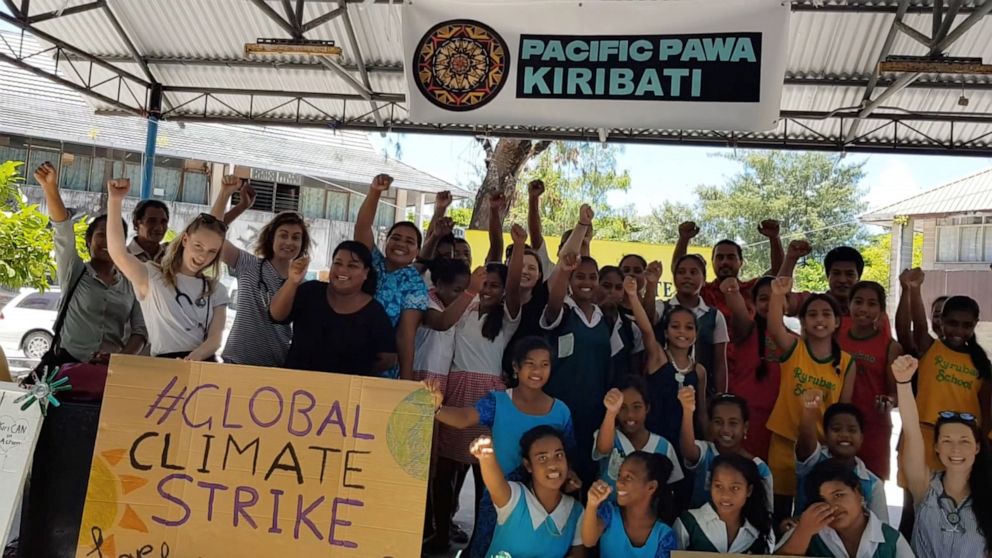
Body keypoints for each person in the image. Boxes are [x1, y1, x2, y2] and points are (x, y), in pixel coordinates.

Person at [427, 336, 577, 557]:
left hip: (543, 502)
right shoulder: (497, 401)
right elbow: (465, 417)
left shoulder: (561, 410)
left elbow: (568, 455)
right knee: (484, 549)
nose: (538, 370)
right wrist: (437, 408)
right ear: (516, 367)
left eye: (544, 364)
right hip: (499, 498)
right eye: (530, 363)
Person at [35, 162, 146, 365]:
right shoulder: (75, 271)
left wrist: (118, 360)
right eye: (100, 236)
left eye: (113, 236)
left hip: (109, 372)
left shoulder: (132, 283)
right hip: (68, 367)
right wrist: (49, 187)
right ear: (89, 241)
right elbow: (63, 232)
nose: (106, 242)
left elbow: (140, 330)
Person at [106, 179, 228, 360]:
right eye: (198, 246)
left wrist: (191, 360)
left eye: (212, 251)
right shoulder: (152, 276)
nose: (203, 256)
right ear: (185, 240)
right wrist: (115, 201)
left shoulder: (216, 289)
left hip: (202, 365)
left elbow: (215, 339)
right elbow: (118, 253)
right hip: (164, 364)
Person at [765, 277, 855, 522]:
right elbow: (774, 328)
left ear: (837, 322)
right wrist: (777, 294)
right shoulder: (795, 348)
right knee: (780, 512)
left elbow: (842, 413)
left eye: (826, 314)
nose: (819, 319)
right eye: (812, 314)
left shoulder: (847, 362)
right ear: (803, 321)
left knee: (814, 510)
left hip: (820, 450)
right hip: (784, 443)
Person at [542, 205, 619, 487]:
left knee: (589, 478)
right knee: (559, 478)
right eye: (579, 277)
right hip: (561, 413)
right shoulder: (560, 311)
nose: (586, 282)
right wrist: (581, 227)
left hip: (595, 413)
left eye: (592, 277)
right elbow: (556, 291)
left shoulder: (605, 320)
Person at [894, 354, 992, 558]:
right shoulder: (925, 487)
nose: (956, 449)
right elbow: (912, 431)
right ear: (936, 446)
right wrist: (903, 382)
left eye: (965, 441)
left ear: (977, 447)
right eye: (947, 440)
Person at [209, 177, 312, 366]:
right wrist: (227, 196)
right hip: (235, 362)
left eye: (296, 238)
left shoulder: (303, 286)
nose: (289, 242)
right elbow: (212, 236)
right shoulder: (248, 264)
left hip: (275, 369)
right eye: (283, 235)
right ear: (271, 237)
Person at [904, 268, 991, 469]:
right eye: (952, 323)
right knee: (916, 499)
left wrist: (982, 444)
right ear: (940, 321)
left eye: (966, 325)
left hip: (961, 445)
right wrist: (915, 289)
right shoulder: (930, 348)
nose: (959, 331)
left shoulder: (982, 364)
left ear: (975, 324)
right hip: (924, 436)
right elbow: (918, 325)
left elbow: (986, 411)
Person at [269, 241, 396, 375]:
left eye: (352, 265)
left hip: (345, 392)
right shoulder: (310, 291)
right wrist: (292, 281)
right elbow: (276, 315)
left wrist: (356, 371)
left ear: (366, 273)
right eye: (338, 263)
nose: (342, 270)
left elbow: (388, 359)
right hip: (296, 388)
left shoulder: (375, 312)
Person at [353, 174, 429, 380]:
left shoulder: (415, 284)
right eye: (395, 238)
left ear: (417, 250)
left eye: (409, 241)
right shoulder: (371, 261)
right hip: (347, 352)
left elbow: (406, 335)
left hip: (382, 365)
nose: (401, 244)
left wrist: (404, 382)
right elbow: (362, 227)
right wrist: (375, 192)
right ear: (386, 241)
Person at [470, 429, 586, 558]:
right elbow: (495, 485)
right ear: (528, 465)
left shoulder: (576, 511)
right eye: (542, 458)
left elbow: (578, 554)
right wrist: (486, 457)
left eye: (559, 455)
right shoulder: (516, 497)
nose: (552, 465)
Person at [776, 460, 913, 557]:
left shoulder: (891, 541)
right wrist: (803, 532)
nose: (832, 507)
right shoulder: (808, 529)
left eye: (838, 495)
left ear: (858, 493)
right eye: (822, 501)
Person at [838, 281, 901, 480]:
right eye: (858, 301)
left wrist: (889, 402)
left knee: (872, 489)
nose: (864, 308)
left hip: (874, 427)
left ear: (881, 310)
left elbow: (895, 394)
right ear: (849, 305)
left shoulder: (891, 346)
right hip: (839, 426)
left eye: (872, 304)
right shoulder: (834, 336)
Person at [721, 276, 787, 462]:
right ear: (755, 303)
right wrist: (732, 291)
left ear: (787, 303)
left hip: (778, 426)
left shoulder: (794, 340)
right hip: (745, 423)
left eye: (776, 298)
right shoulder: (747, 330)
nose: (770, 304)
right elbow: (739, 310)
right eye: (764, 299)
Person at [678, 389, 773, 512]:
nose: (725, 429)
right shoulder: (706, 451)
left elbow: (766, 512)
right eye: (718, 422)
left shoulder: (759, 469)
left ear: (745, 427)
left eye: (733, 423)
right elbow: (688, 450)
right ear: (710, 424)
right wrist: (687, 411)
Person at [672, 220, 784, 323]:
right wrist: (683, 239)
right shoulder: (703, 291)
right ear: (713, 262)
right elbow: (678, 271)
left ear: (741, 262)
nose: (724, 262)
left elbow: (778, 275)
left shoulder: (752, 289)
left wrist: (774, 238)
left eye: (731, 257)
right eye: (720, 257)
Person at [794, 400, 887, 523]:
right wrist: (809, 410)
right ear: (825, 434)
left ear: (861, 438)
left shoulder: (873, 484)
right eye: (836, 429)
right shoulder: (813, 461)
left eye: (852, 430)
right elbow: (805, 437)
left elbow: (881, 528)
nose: (844, 435)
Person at [593, 379, 684, 503]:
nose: (630, 414)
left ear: (647, 408)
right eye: (622, 407)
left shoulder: (664, 446)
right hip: (609, 518)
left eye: (637, 407)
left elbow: (670, 489)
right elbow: (603, 448)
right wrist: (611, 411)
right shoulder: (609, 434)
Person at [655, 254, 729, 396]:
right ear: (674, 278)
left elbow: (720, 363)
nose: (687, 276)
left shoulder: (714, 316)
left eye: (693, 272)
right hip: (663, 391)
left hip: (703, 394)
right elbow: (648, 319)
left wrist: (721, 397)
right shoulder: (662, 308)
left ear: (704, 279)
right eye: (681, 272)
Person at [582, 452, 679, 557]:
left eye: (629, 477)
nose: (619, 483)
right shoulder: (610, 512)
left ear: (651, 487)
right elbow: (589, 541)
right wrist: (592, 504)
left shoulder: (664, 536)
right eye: (619, 475)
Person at [674, 454, 775, 554]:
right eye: (718, 486)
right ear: (710, 486)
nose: (725, 495)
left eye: (735, 488)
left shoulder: (761, 529)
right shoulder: (689, 523)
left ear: (749, 490)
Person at [598, 265, 642, 379]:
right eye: (606, 286)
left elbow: (634, 370)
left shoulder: (631, 329)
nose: (612, 292)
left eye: (618, 288)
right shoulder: (581, 319)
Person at [895, 267, 946, 357]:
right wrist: (909, 289)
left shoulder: (972, 354)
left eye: (948, 318)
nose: (941, 322)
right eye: (937, 315)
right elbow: (904, 332)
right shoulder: (927, 346)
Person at [128, 198, 170, 263]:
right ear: (136, 224)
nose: (159, 227)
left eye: (163, 222)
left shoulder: (171, 257)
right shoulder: (123, 256)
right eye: (152, 221)